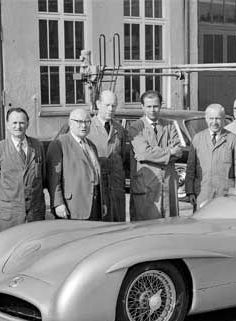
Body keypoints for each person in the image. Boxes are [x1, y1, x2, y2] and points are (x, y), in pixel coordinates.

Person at [0, 107, 46, 232]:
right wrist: (9, 197)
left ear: (27, 124)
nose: (18, 126)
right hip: (10, 215)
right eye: (14, 123)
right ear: (7, 125)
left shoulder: (37, 146)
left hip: (35, 213)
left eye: (22, 123)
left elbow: (43, 176)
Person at [126, 90, 184, 221]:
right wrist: (169, 152)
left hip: (168, 184)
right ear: (143, 107)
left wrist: (154, 153)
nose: (152, 110)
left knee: (169, 227)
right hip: (146, 185)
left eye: (155, 106)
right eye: (149, 106)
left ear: (161, 106)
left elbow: (178, 151)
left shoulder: (170, 125)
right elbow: (143, 153)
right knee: (146, 228)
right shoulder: (136, 127)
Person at [46, 108, 102, 220]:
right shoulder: (60, 143)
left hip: (94, 204)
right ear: (70, 123)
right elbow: (53, 178)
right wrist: (58, 203)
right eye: (79, 122)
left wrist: (102, 202)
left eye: (87, 122)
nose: (84, 126)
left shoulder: (91, 146)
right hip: (72, 206)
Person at [185, 103, 236, 209]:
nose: (214, 122)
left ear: (223, 119)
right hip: (202, 193)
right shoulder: (197, 138)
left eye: (218, 118)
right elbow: (190, 168)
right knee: (200, 224)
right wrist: (190, 191)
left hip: (226, 193)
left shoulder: (233, 139)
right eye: (211, 118)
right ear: (206, 119)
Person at [87, 90, 127, 222]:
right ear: (98, 104)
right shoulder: (87, 127)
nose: (111, 109)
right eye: (107, 105)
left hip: (116, 188)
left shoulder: (119, 129)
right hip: (97, 189)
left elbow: (123, 157)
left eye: (114, 105)